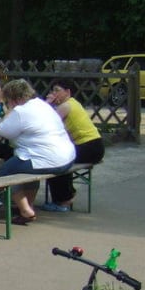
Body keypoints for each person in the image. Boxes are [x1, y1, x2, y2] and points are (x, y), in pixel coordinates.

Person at [0, 79, 75, 225]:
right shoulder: (42, 105)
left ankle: (25, 210)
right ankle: (28, 205)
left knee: (6, 170)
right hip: (67, 157)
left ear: (16, 99)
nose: (8, 103)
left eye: (9, 101)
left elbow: (4, 131)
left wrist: (9, 112)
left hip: (48, 159)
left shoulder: (20, 110)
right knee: (29, 170)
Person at [42, 78, 105, 211]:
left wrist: (47, 103)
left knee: (56, 160)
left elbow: (44, 121)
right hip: (95, 146)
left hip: (89, 147)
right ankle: (67, 194)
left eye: (57, 90)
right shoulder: (73, 103)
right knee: (60, 156)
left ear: (67, 92)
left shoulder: (66, 106)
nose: (54, 93)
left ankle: (64, 200)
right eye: (52, 90)